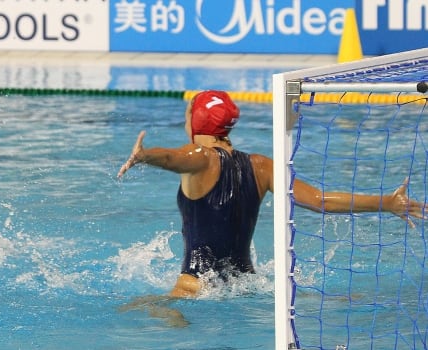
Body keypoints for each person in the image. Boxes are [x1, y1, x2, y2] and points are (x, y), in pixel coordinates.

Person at [117, 90, 426, 298]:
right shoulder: (261, 166)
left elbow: (174, 158)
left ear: (197, 121)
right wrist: (386, 202)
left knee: (137, 310)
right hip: (246, 286)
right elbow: (319, 200)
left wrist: (146, 156)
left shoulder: (200, 156)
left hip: (195, 289)